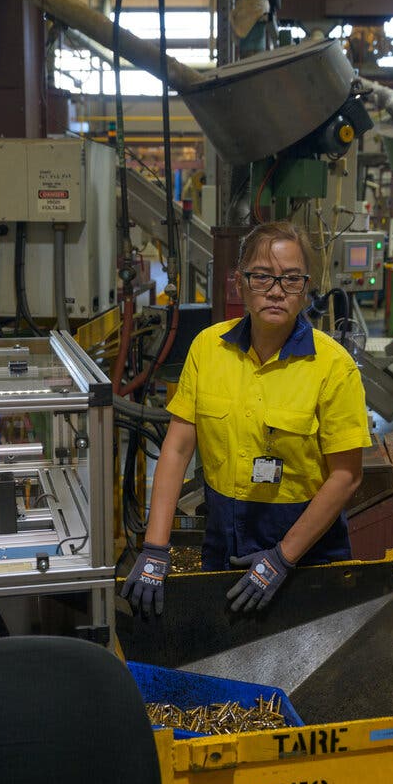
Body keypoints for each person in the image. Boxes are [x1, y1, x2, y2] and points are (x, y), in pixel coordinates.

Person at [121, 220, 371, 616]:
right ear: (240, 283)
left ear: (306, 288)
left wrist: (282, 558)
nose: (276, 291)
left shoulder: (333, 367)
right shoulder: (208, 348)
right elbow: (178, 446)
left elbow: (347, 476)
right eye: (262, 277)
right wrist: (155, 548)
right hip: (224, 536)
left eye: (291, 279)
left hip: (306, 551)